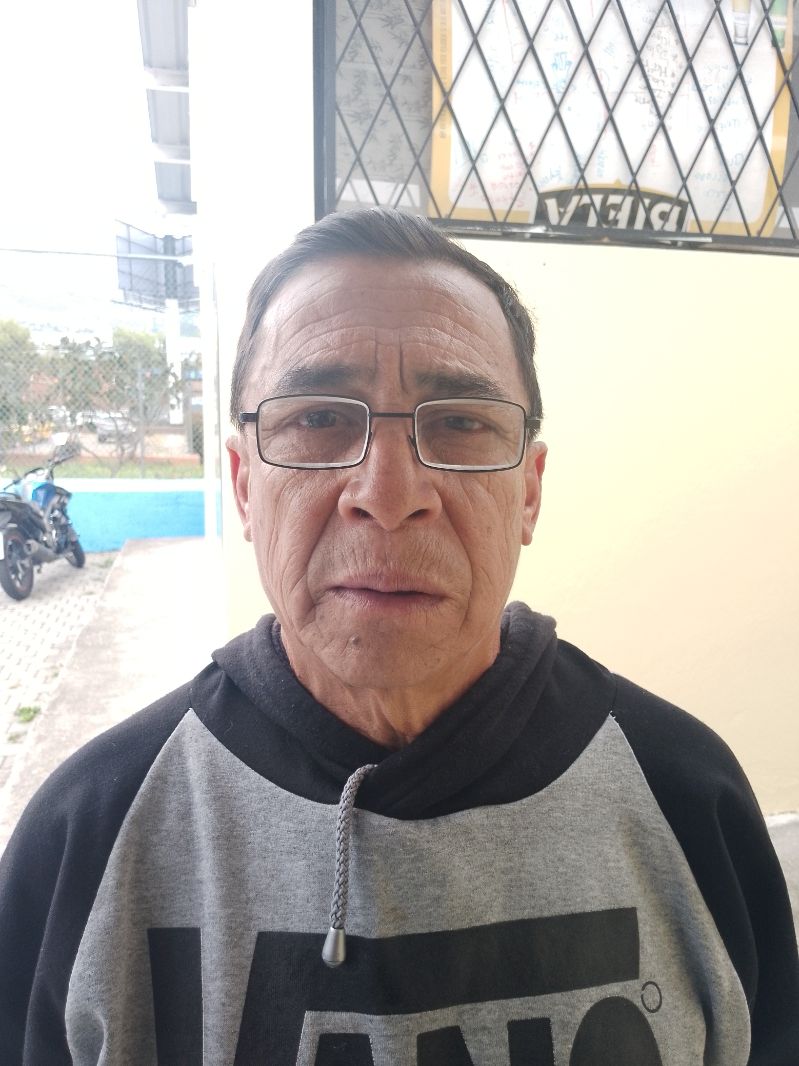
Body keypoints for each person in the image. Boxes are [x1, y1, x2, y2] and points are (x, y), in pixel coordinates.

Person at [0, 208, 796, 1065]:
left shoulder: (686, 800)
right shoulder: (91, 836)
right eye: (317, 420)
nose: (387, 494)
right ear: (243, 484)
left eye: (459, 423)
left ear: (528, 493)